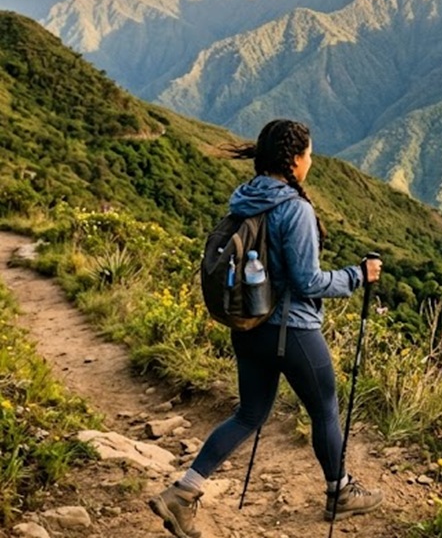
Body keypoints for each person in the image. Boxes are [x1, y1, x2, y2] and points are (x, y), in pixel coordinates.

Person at [148, 119, 384, 538]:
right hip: (291, 330)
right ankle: (340, 493)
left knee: (250, 413)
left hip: (249, 325)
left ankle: (182, 494)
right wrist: (356, 276)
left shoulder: (246, 199)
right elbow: (307, 281)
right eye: (309, 155)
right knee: (325, 409)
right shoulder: (295, 209)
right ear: (294, 161)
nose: (311, 161)